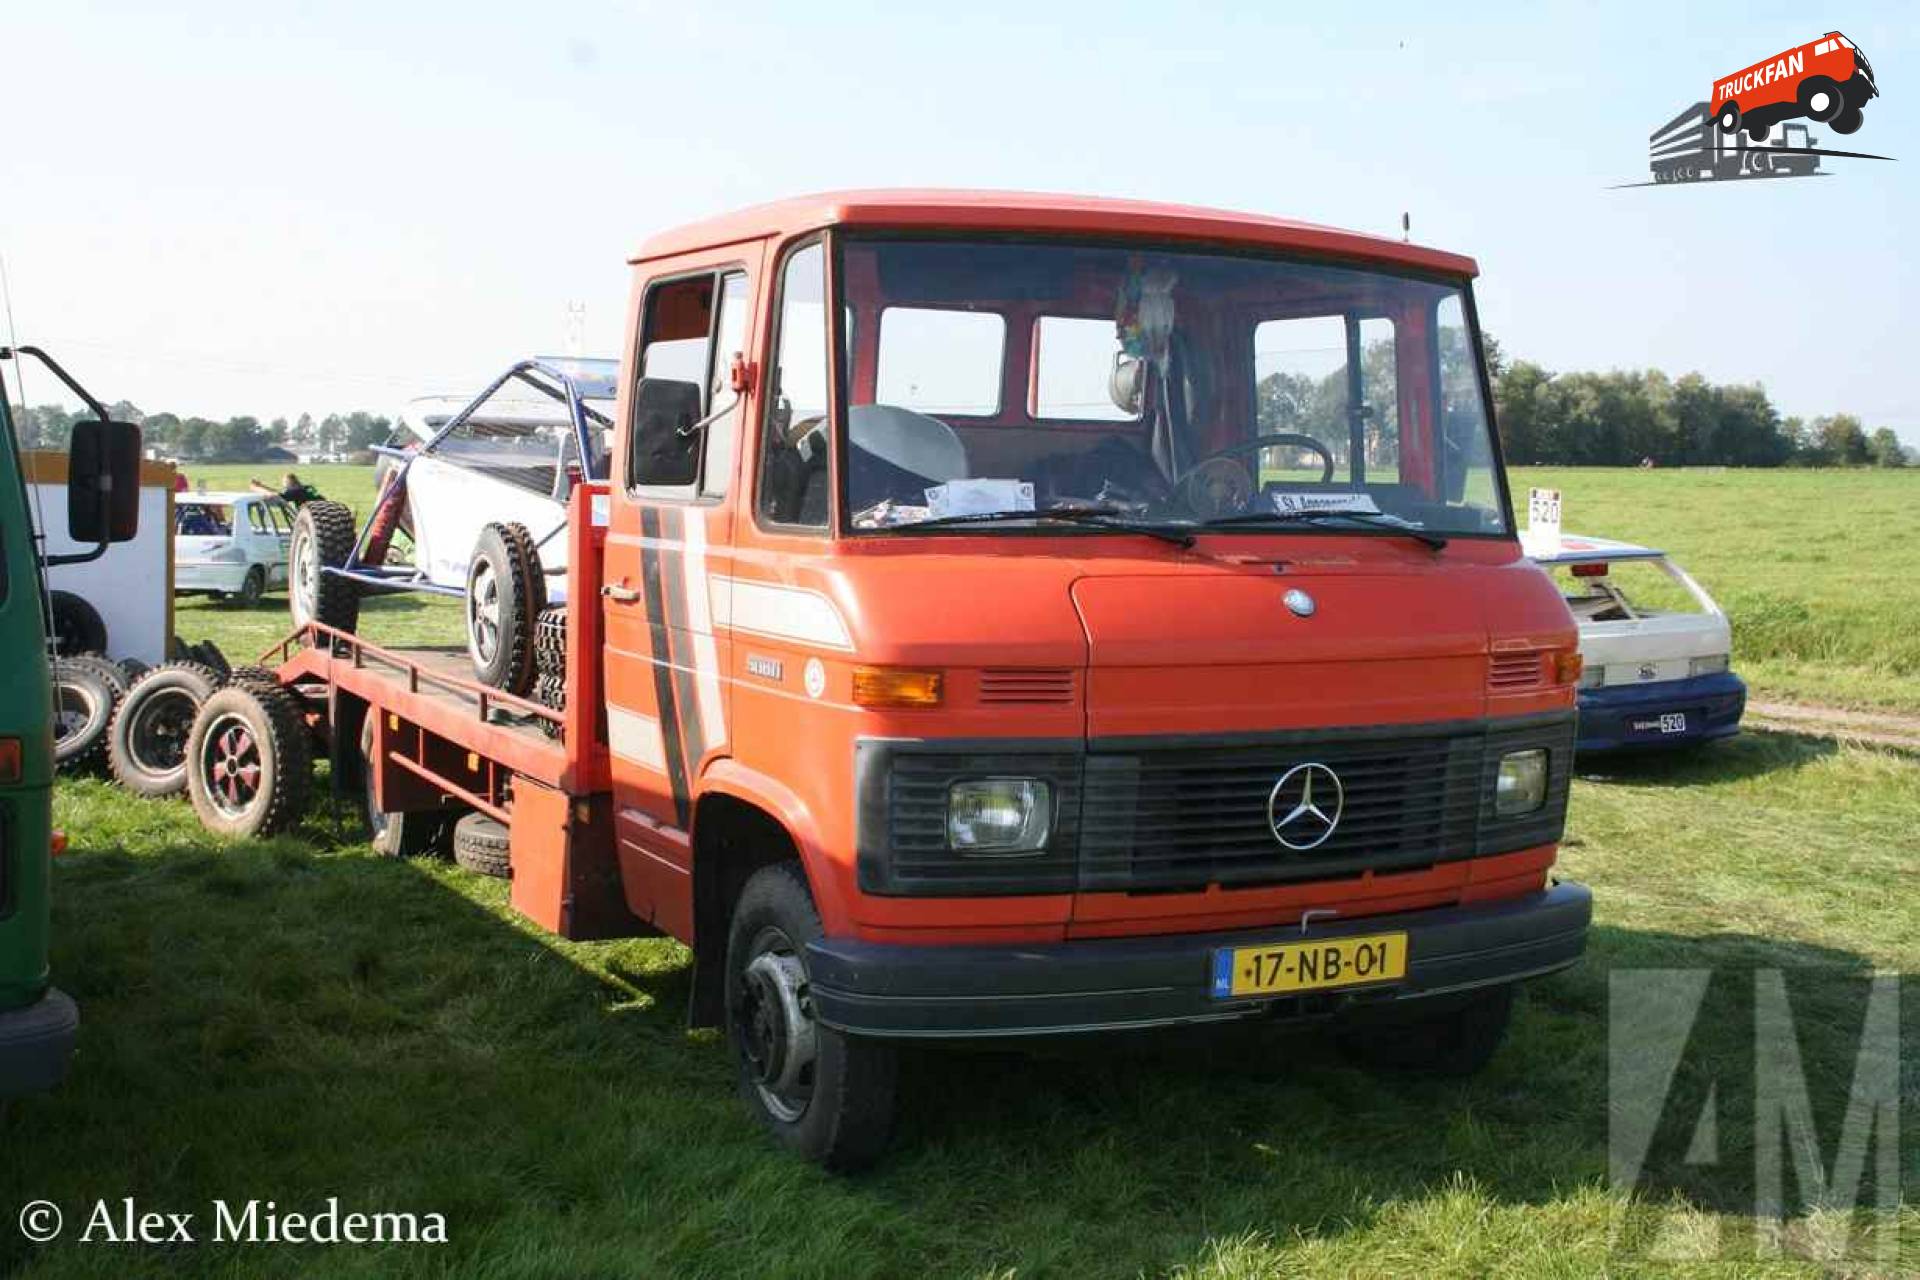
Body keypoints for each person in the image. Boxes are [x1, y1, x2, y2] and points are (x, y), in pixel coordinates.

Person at [250, 471, 321, 507]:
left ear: (288, 482)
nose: (284, 486)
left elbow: (276, 496)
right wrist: (262, 486)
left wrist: (256, 488)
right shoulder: (305, 488)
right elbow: (280, 492)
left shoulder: (294, 492)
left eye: (284, 483)